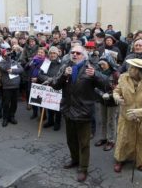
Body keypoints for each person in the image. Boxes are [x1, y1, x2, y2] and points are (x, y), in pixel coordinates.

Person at [49, 45, 107, 182]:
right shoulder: (65, 67)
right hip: (68, 110)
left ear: (84, 55)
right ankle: (75, 160)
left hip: (83, 111)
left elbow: (106, 84)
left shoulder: (90, 67)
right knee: (71, 140)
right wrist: (64, 76)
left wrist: (96, 75)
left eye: (78, 53)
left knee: (84, 143)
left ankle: (83, 168)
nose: (75, 55)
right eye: (72, 52)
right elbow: (55, 85)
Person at [113, 58, 142, 173]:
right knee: (123, 137)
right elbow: (117, 91)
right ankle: (120, 159)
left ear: (139, 71)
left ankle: (141, 161)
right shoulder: (123, 77)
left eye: (132, 68)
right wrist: (116, 97)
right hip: (125, 114)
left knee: (141, 140)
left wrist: (141, 112)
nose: (129, 69)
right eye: (129, 67)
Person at [94, 54, 119, 151]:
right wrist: (101, 93)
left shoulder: (116, 74)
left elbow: (119, 89)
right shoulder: (99, 71)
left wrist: (110, 94)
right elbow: (95, 86)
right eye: (100, 64)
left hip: (113, 102)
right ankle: (103, 138)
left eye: (103, 64)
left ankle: (111, 140)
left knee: (111, 121)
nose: (102, 66)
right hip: (102, 100)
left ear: (109, 63)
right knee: (103, 120)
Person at [38, 46, 62, 131]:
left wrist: (54, 80)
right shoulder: (46, 62)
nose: (52, 55)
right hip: (48, 86)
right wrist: (47, 79)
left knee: (57, 106)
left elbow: (62, 75)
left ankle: (57, 122)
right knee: (49, 104)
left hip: (57, 86)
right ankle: (50, 121)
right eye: (51, 53)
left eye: (54, 53)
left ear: (57, 54)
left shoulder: (61, 63)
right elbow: (40, 74)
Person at [0, 49, 24, 127]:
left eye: (9, 54)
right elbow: (6, 68)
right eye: (7, 54)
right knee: (6, 103)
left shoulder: (14, 62)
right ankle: (5, 118)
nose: (9, 55)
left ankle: (12, 116)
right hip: (7, 86)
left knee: (14, 103)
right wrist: (8, 59)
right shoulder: (1, 63)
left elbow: (21, 69)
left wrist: (13, 70)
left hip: (15, 86)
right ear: (3, 55)